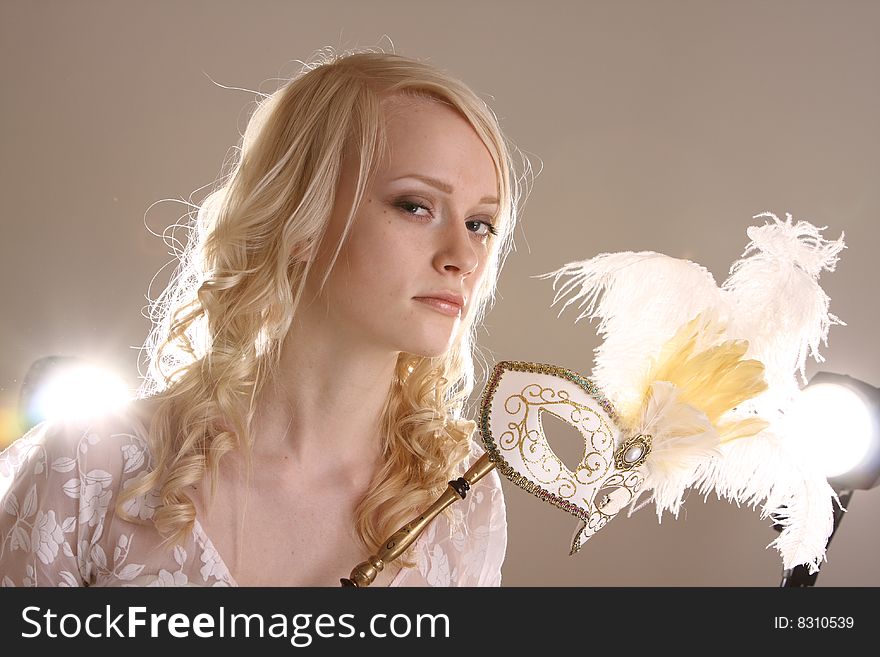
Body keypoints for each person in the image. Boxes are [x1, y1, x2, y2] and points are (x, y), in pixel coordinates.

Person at [0, 48, 528, 586]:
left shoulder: (459, 496)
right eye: (416, 206)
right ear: (304, 217)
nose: (462, 257)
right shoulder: (93, 469)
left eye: (481, 224)